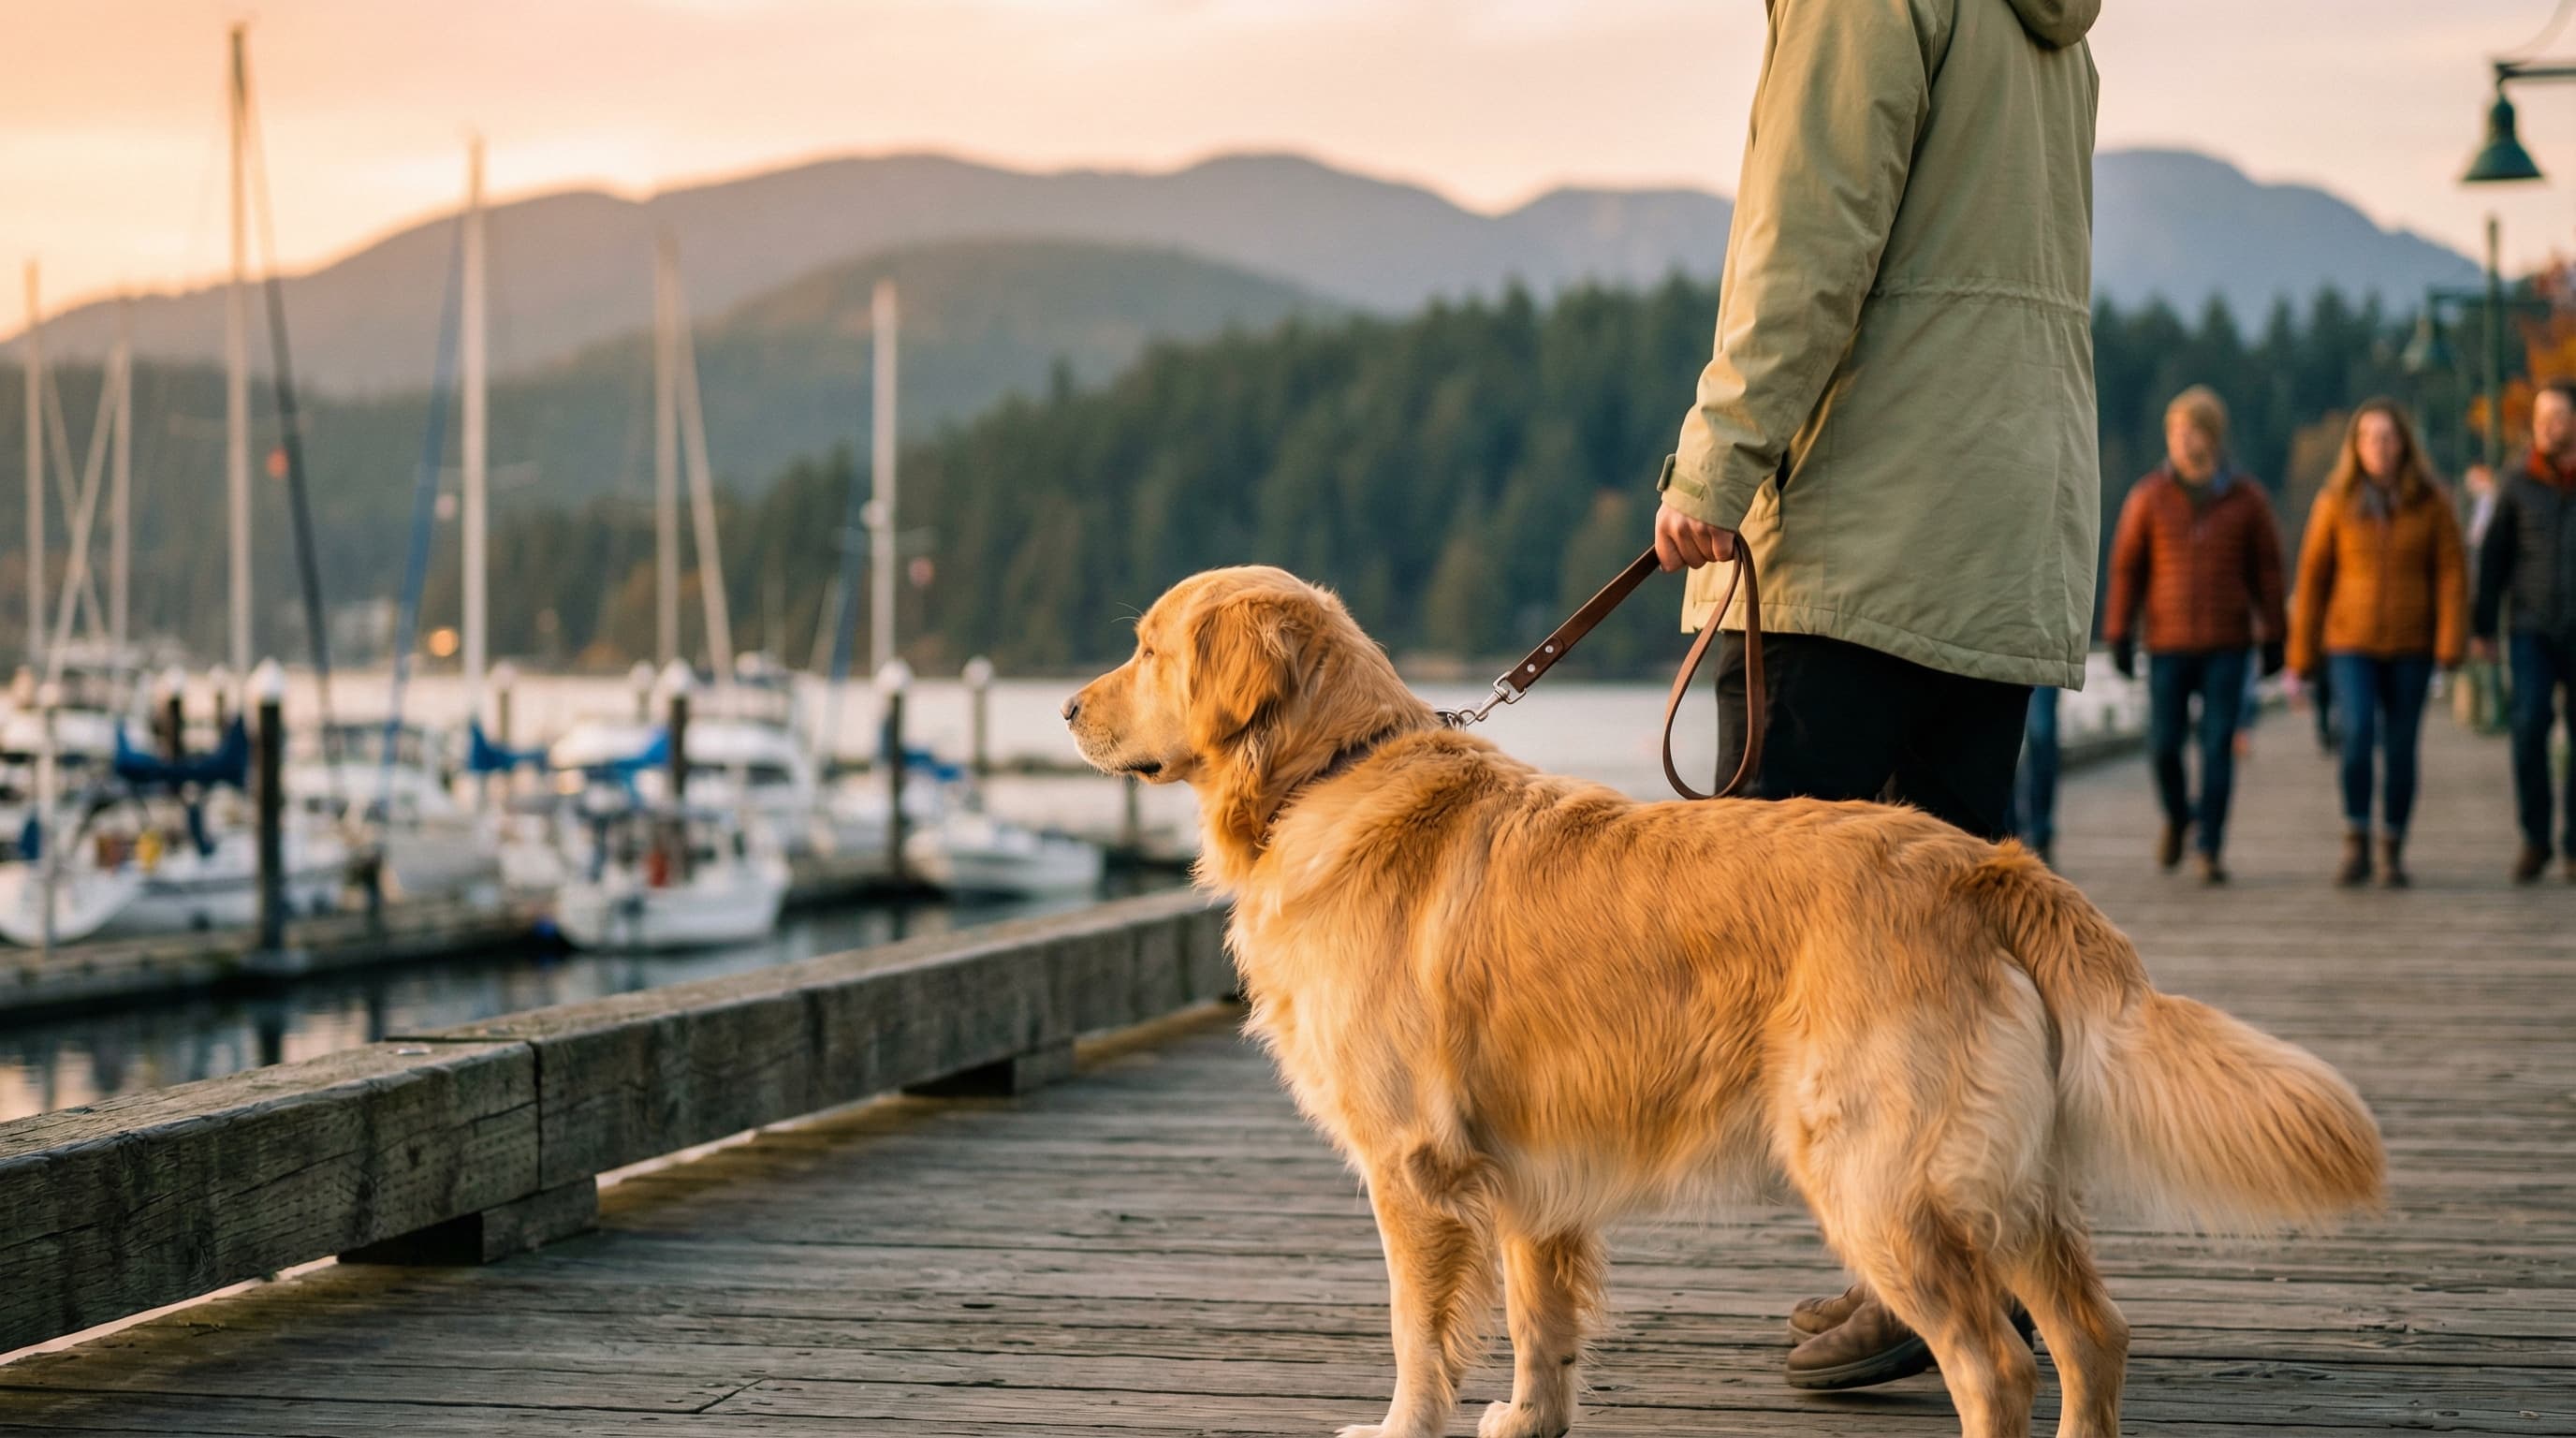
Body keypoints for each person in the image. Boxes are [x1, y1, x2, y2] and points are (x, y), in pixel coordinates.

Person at [1648, 0, 2099, 1395]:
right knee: (1954, 955)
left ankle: (1926, 1276)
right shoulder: (2054, 25)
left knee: (1801, 945)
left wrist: (1714, 466)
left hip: (1866, 529)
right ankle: (1941, 1272)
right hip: (2003, 515)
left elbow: (1808, 243)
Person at [2100, 387, 2289, 884]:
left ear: (2213, 436)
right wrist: (2119, 632)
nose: (2183, 442)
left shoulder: (2247, 499)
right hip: (2167, 643)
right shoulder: (2149, 496)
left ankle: (2209, 846)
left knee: (2217, 746)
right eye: (2175, 433)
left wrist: (2275, 635)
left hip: (2228, 644)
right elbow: (2126, 569)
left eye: (2193, 432)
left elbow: (2268, 572)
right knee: (2163, 744)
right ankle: (2180, 817)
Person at [2289, 400, 2467, 887]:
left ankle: (2393, 845)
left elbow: (2452, 573)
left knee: (2403, 747)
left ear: (2404, 444)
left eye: (2388, 437)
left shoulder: (2431, 502)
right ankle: (2356, 838)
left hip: (2413, 642)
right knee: (2358, 736)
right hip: (2350, 642)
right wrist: (2301, 655)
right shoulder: (2335, 501)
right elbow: (2313, 579)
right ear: (2355, 446)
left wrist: (2451, 643)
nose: (2379, 447)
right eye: (2369, 437)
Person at [2472, 381, 2576, 881]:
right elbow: (2493, 558)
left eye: (2557, 415)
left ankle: (2575, 843)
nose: (2547, 426)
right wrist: (2483, 627)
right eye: (2540, 417)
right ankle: (2536, 837)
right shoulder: (2516, 481)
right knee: (2529, 724)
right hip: (2531, 624)